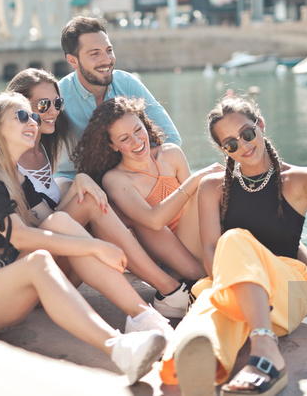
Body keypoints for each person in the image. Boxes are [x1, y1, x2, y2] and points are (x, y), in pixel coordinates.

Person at [159, 94, 307, 395]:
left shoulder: (298, 180)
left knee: (233, 241)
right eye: (231, 144)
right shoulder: (211, 188)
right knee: (208, 303)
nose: (243, 146)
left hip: (287, 289)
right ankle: (197, 365)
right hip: (243, 293)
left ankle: (265, 350)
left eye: (247, 133)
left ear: (261, 125)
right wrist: (231, 287)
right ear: (222, 150)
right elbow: (210, 253)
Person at [0, 91, 169, 385]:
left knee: (60, 220)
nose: (32, 121)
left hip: (3, 277)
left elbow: (54, 221)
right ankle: (119, 349)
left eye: (32, 115)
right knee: (40, 260)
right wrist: (96, 246)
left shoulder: (17, 176)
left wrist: (81, 183)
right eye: (21, 116)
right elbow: (20, 237)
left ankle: (142, 316)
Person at [0, 68, 194, 318]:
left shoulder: (51, 148)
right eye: (41, 106)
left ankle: (172, 287)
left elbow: (51, 217)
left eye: (57, 103)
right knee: (93, 205)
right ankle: (170, 290)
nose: (52, 112)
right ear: (16, 107)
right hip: (15, 267)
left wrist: (80, 182)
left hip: (45, 253)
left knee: (108, 206)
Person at [73, 96, 223, 286]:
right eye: (124, 139)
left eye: (138, 130)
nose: (137, 141)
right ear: (112, 145)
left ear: (144, 124)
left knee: (212, 185)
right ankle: (194, 278)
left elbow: (197, 204)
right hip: (170, 259)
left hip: (202, 240)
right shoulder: (116, 179)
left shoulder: (171, 154)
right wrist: (197, 178)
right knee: (204, 184)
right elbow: (153, 221)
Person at [55, 16, 181, 183]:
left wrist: (128, 169)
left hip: (130, 177)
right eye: (95, 54)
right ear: (73, 60)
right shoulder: (58, 97)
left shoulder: (127, 83)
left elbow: (171, 138)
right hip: (74, 180)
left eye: (109, 50)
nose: (107, 60)